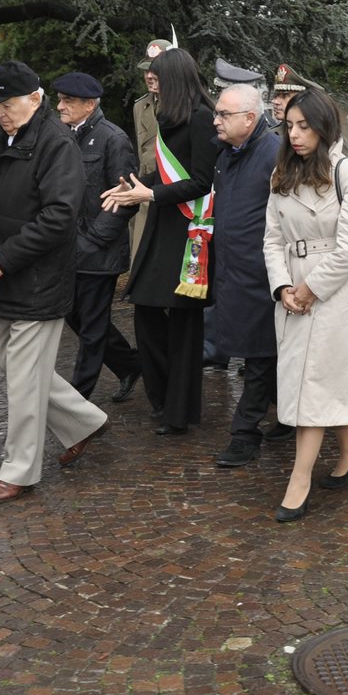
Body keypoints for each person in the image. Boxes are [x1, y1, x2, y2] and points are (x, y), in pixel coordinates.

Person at [0, 61, 110, 504]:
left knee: (23, 382)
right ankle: (84, 421)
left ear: (35, 98)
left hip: (36, 279)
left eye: (8, 105)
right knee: (21, 373)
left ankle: (19, 471)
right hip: (1, 273)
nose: (1, 114)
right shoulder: (6, 139)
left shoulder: (56, 145)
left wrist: (5, 258)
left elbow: (60, 217)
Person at [263, 91, 348, 521]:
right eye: (289, 125)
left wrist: (311, 288)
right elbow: (272, 238)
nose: (294, 134)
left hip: (335, 292)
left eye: (304, 126)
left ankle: (299, 479)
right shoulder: (282, 173)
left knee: (312, 385)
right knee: (316, 379)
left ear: (325, 126)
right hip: (292, 293)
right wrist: (283, 287)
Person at [102, 47, 218, 434]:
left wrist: (149, 195)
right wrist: (134, 187)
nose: (154, 85)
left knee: (183, 323)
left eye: (159, 78)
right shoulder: (168, 117)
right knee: (146, 312)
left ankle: (179, 410)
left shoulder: (202, 119)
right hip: (161, 228)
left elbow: (201, 181)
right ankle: (160, 395)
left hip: (189, 232)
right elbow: (166, 177)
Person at [52, 71, 141, 404]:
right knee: (79, 318)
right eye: (59, 99)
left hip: (97, 252)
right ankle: (132, 364)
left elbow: (126, 197)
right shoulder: (60, 134)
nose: (59, 106)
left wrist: (94, 239)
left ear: (89, 105)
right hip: (65, 249)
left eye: (67, 101)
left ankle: (77, 404)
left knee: (91, 328)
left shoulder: (113, 139)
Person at [209, 83, 284, 467]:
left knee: (258, 354)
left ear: (250, 119)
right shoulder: (226, 154)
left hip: (263, 275)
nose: (216, 120)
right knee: (261, 353)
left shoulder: (273, 154)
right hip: (233, 269)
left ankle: (245, 434)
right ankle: (286, 415)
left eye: (224, 114)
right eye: (218, 113)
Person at [127, 38, 169, 269]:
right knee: (141, 261)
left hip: (171, 192)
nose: (150, 75)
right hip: (144, 192)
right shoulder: (140, 106)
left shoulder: (184, 107)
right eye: (147, 70)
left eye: (156, 70)